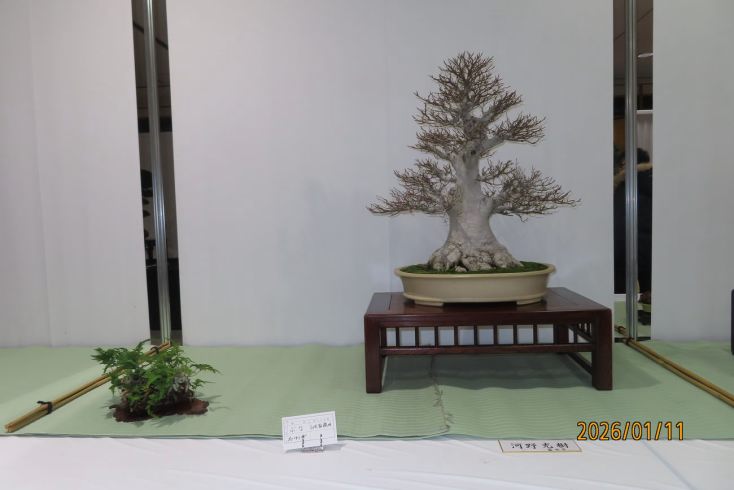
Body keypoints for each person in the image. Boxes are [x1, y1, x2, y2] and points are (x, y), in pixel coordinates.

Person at [613, 147, 653, 305]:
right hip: (629, 250)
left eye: (625, 164)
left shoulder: (639, 182)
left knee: (625, 298)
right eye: (621, 164)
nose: (622, 168)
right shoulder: (623, 185)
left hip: (636, 249)